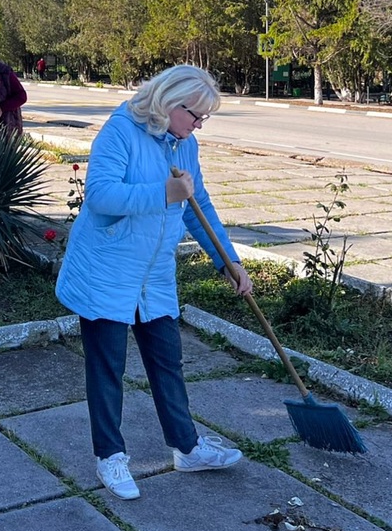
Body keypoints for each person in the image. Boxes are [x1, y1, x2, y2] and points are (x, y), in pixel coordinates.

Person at [55, 64, 251, 500]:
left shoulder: (185, 143)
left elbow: (198, 202)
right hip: (108, 272)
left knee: (167, 361)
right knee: (107, 368)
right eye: (195, 116)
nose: (199, 125)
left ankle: (187, 448)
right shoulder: (120, 131)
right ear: (169, 102)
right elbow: (101, 199)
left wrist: (227, 260)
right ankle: (110, 456)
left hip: (154, 274)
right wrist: (163, 193)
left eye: (204, 119)